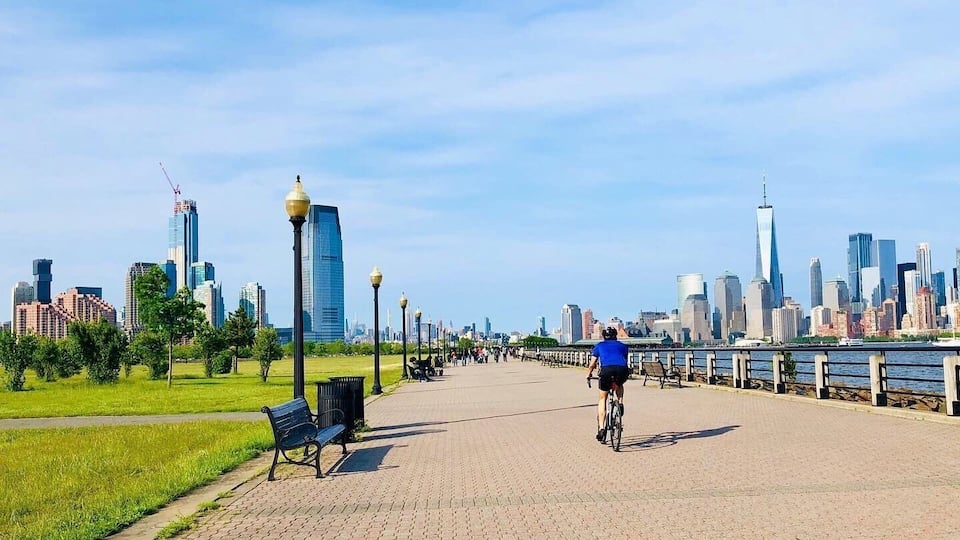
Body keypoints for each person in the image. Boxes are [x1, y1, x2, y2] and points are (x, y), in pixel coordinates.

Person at [586, 327, 629, 442]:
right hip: (622, 370)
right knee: (619, 384)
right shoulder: (623, 346)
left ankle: (601, 428)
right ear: (616, 336)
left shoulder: (599, 346)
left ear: (604, 336)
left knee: (602, 399)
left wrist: (588, 374)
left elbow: (592, 364)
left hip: (606, 371)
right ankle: (620, 403)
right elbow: (623, 360)